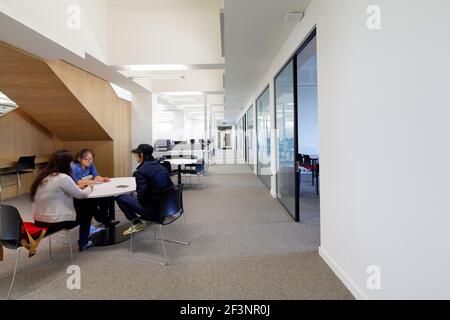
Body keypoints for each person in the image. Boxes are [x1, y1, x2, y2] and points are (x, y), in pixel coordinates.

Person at [30, 150, 95, 252]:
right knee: (88, 209)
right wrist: (90, 187)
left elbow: (59, 190)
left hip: (39, 221)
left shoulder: (43, 177)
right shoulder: (62, 177)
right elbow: (81, 195)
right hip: (55, 222)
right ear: (66, 164)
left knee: (80, 204)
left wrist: (76, 187)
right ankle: (84, 243)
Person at [115, 144, 174, 235]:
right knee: (132, 195)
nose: (135, 157)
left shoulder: (140, 171)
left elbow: (142, 196)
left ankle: (136, 222)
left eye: (136, 155)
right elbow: (171, 186)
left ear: (141, 155)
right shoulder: (162, 167)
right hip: (167, 207)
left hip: (153, 211)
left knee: (119, 197)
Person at [70, 149, 118, 228]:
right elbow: (77, 182)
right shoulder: (74, 167)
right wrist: (92, 181)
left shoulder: (91, 164)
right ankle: (104, 219)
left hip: (88, 188)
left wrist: (102, 178)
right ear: (79, 159)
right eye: (86, 159)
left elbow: (95, 175)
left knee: (104, 198)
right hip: (78, 191)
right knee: (92, 203)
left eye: (91, 159)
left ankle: (104, 219)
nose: (89, 161)